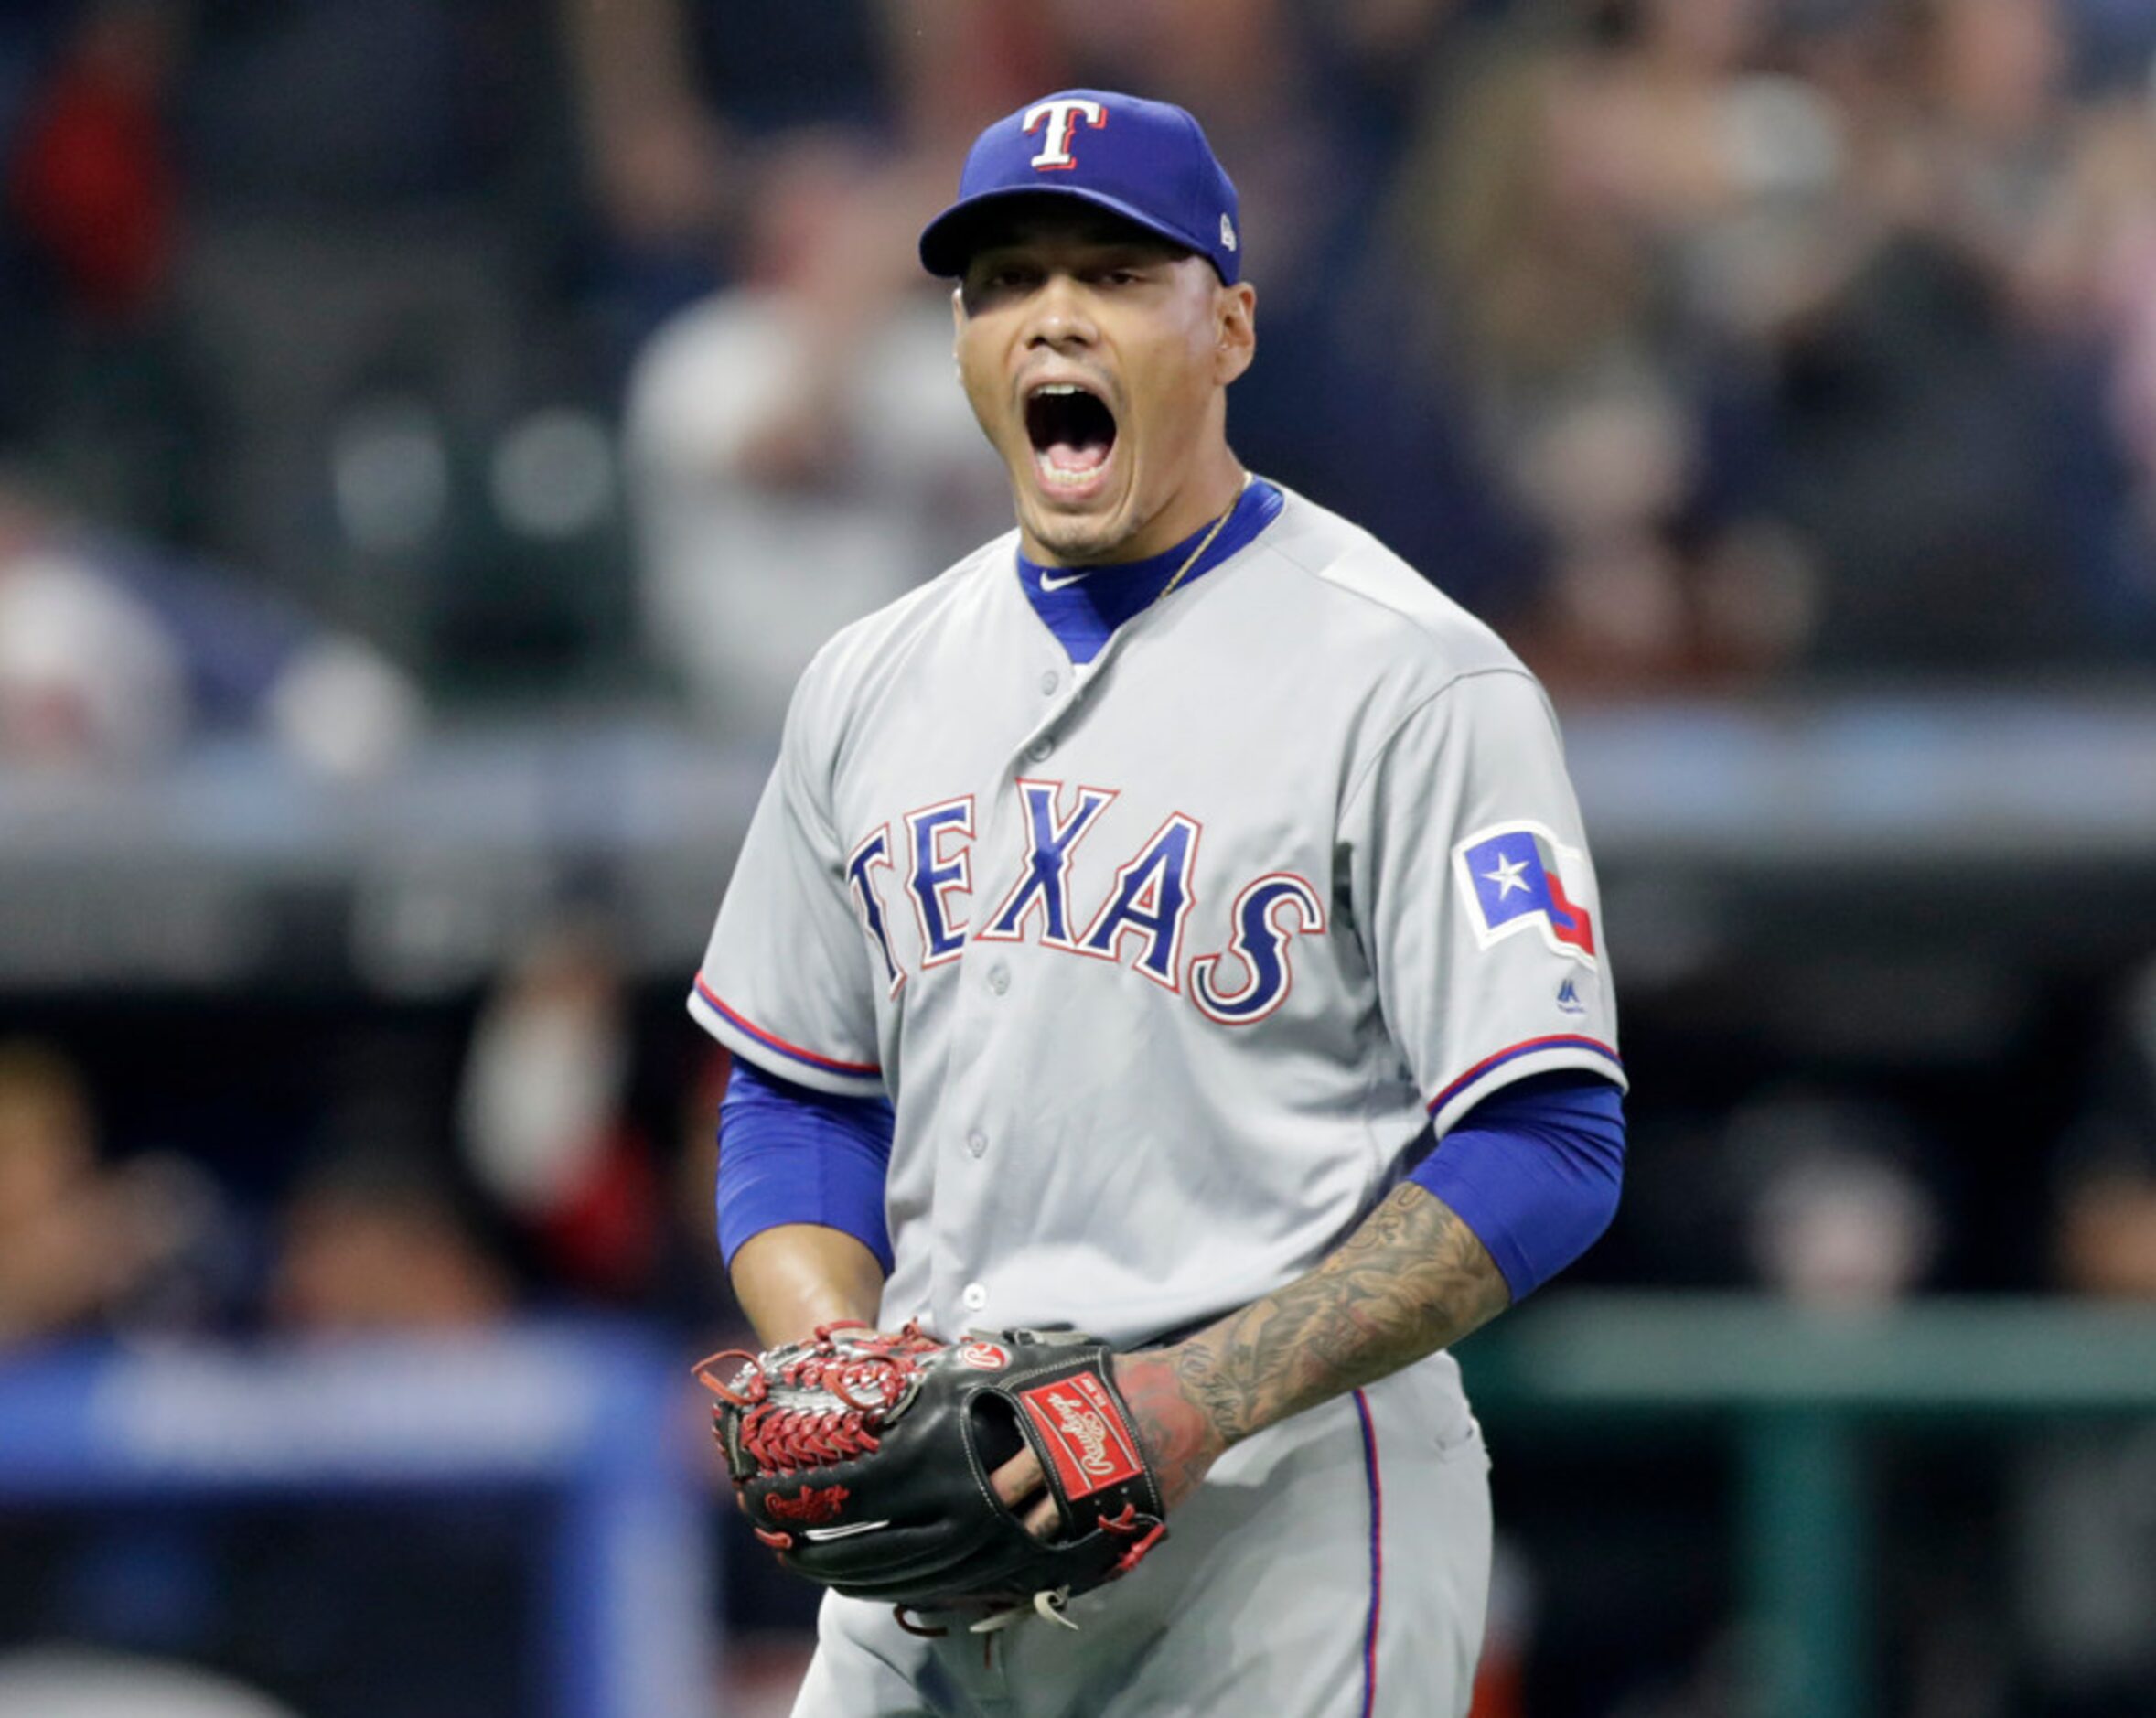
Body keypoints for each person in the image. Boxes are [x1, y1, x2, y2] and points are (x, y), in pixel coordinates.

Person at [686, 89, 1628, 1716]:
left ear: (1229, 328)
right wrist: (835, 1355)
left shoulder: (1410, 679)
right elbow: (798, 1088)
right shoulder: (867, 679)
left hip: (1282, 1518)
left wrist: (1190, 1400)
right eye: (1004, 280)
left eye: (1118, 272)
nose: (1053, 313)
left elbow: (1550, 1148)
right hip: (944, 1505)